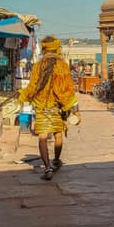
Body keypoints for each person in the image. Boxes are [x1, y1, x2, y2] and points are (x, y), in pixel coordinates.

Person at [18, 36, 80, 180]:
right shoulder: (63, 65)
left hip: (41, 106)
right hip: (57, 106)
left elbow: (32, 87)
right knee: (58, 134)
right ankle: (56, 161)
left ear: (44, 49)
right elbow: (68, 89)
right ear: (57, 49)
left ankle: (47, 168)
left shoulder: (38, 65)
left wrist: (23, 96)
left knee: (43, 136)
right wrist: (72, 106)